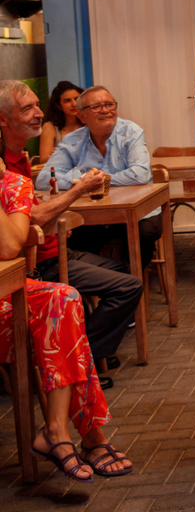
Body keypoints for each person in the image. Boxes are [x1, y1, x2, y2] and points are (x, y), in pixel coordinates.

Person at [0, 153, 132, 481]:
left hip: (6, 300)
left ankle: (56, 429)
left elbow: (8, 245)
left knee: (63, 299)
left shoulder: (12, 185)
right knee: (67, 328)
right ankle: (91, 437)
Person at [0, 81, 141, 385]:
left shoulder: (20, 156)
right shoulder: (5, 164)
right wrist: (79, 189)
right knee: (128, 287)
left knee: (125, 268)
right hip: (38, 263)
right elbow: (32, 215)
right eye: (27, 108)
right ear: (3, 119)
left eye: (38, 105)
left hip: (54, 248)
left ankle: (87, 349)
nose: (39, 113)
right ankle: (78, 362)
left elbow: (142, 173)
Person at [36, 86, 163, 267]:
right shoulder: (72, 140)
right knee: (72, 239)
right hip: (94, 213)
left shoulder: (131, 132)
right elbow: (43, 179)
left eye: (109, 104)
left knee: (143, 236)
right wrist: (83, 179)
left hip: (138, 211)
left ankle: (129, 281)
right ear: (81, 116)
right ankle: (106, 282)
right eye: (96, 107)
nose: (105, 110)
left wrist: (97, 180)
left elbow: (140, 174)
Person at [40, 81, 85, 164]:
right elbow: (43, 160)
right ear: (58, 106)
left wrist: (63, 154)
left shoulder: (90, 124)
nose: (74, 104)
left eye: (77, 99)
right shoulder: (50, 127)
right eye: (67, 101)